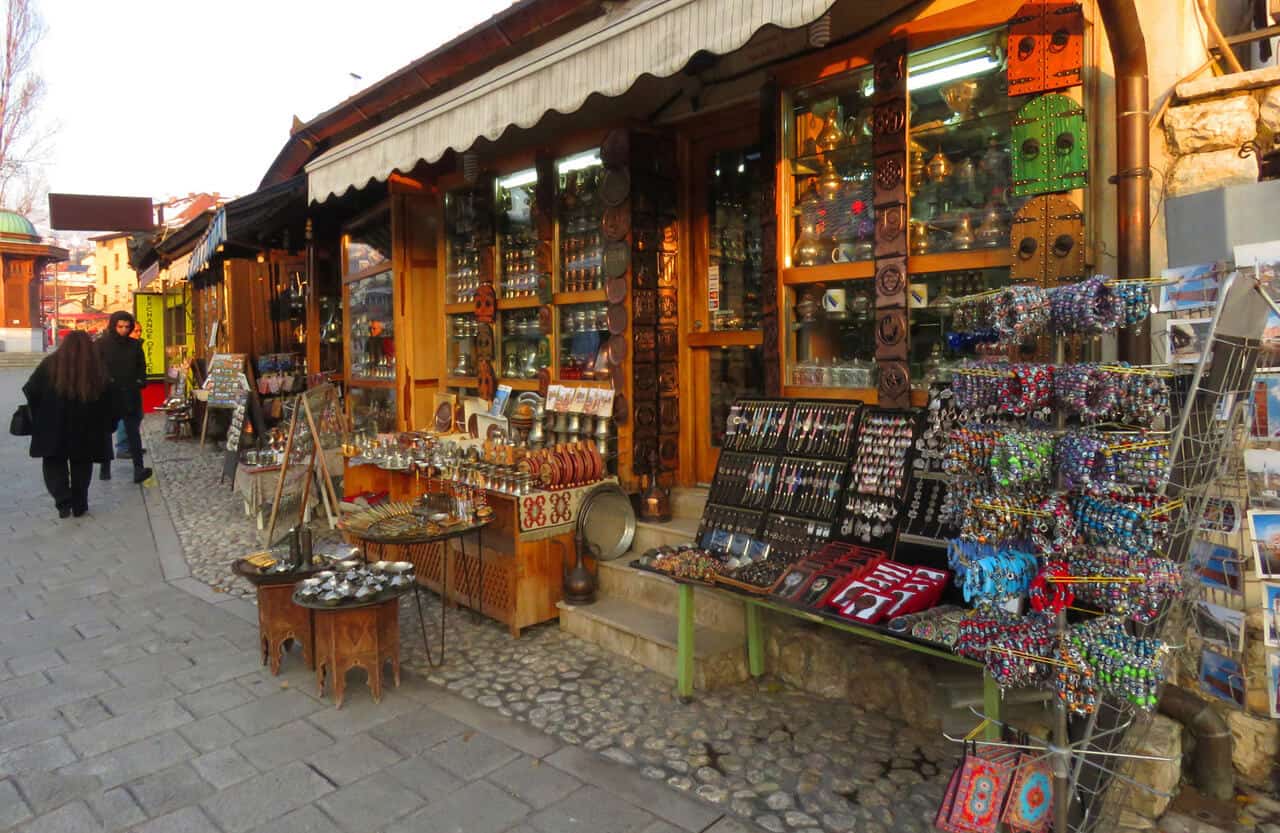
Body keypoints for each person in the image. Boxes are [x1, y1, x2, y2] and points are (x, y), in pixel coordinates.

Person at [22, 331, 114, 518]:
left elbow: (31, 389)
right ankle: (79, 504)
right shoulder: (96, 367)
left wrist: (40, 411)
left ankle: (63, 502)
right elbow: (109, 398)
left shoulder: (50, 364)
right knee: (82, 464)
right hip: (86, 427)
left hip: (53, 425)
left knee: (54, 463)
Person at [97, 310, 153, 483]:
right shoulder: (101, 344)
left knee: (133, 433)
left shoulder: (134, 345)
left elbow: (141, 367)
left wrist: (139, 381)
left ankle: (138, 468)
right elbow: (95, 367)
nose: (123, 330)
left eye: (127, 327)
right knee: (105, 432)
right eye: (120, 326)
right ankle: (104, 467)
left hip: (130, 393)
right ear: (113, 325)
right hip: (108, 394)